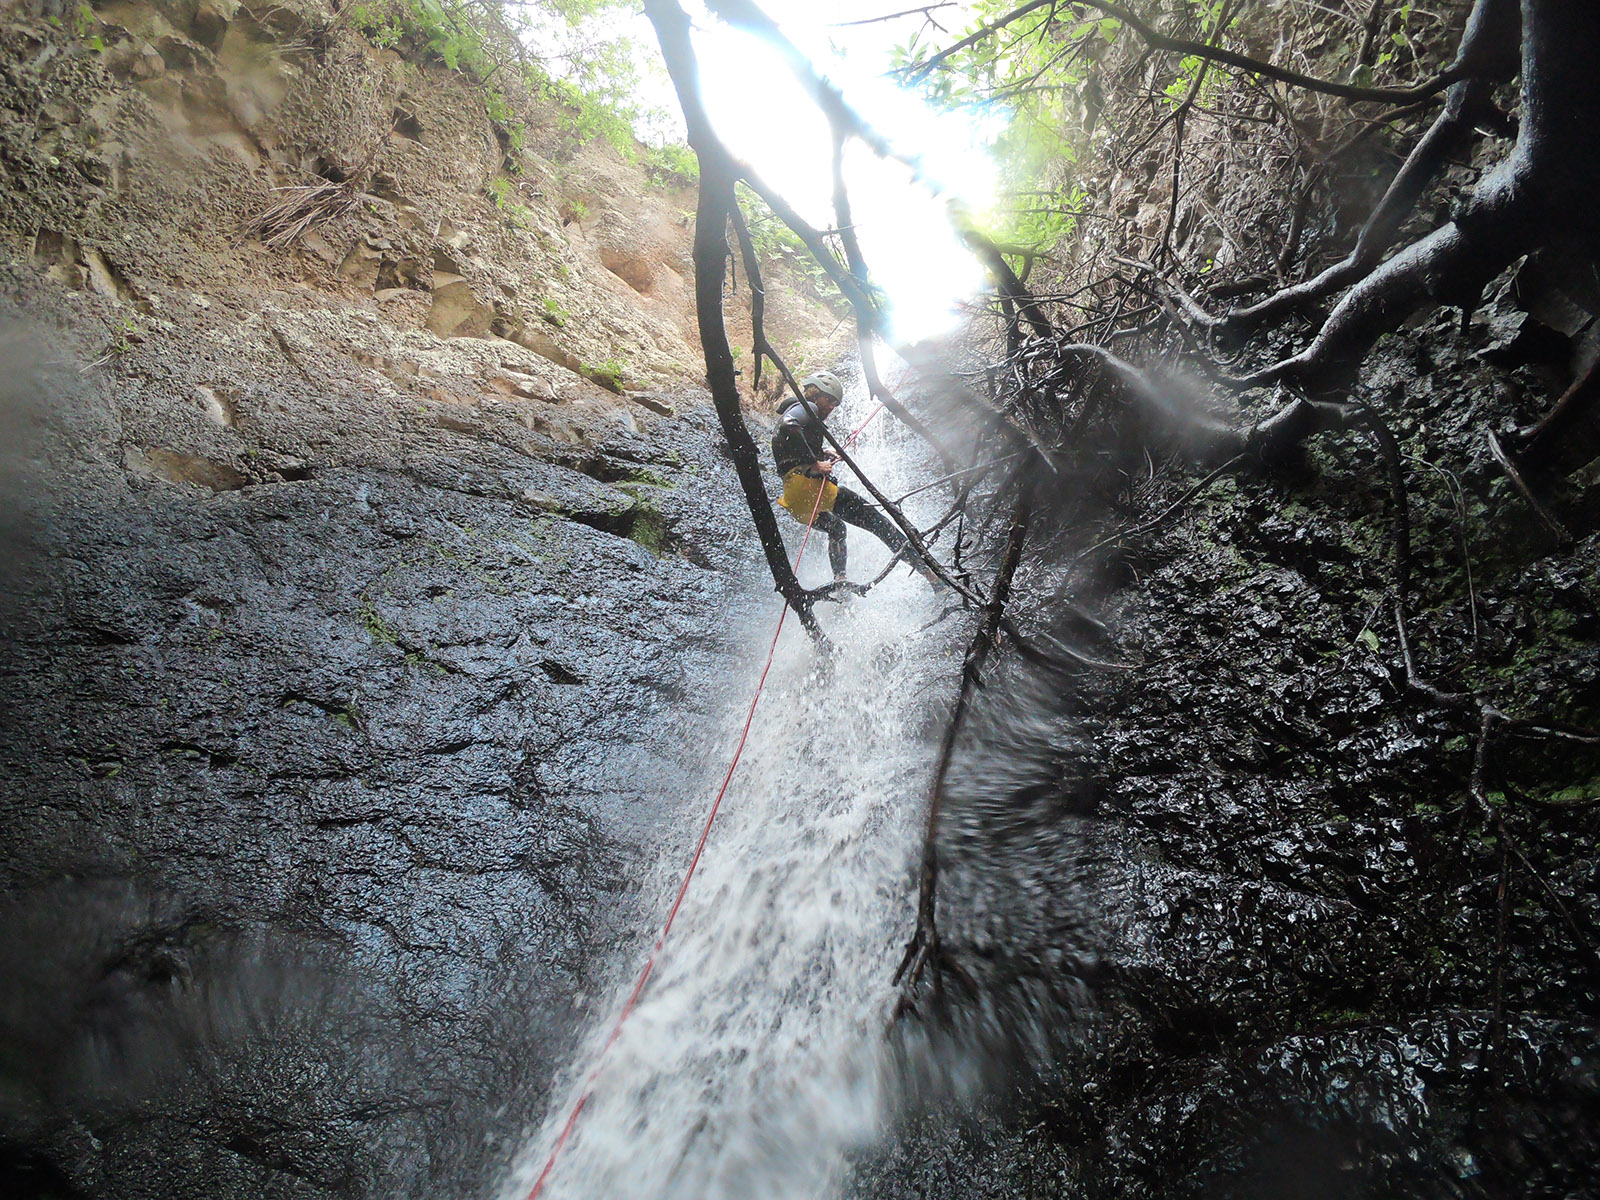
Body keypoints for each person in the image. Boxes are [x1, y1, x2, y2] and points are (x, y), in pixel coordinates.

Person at [770, 371, 938, 590]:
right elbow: (789, 425)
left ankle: (840, 582)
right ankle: (932, 575)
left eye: (835, 403)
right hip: (807, 485)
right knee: (878, 522)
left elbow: (789, 451)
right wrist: (816, 462)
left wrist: (820, 454)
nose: (831, 406)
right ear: (815, 392)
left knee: (837, 529)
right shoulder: (807, 406)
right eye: (829, 400)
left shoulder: (795, 414)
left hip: (796, 501)